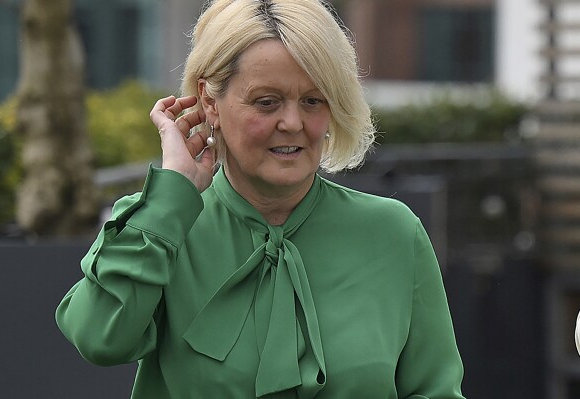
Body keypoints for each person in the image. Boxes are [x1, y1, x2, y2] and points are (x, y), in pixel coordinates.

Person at [55, 0, 466, 397]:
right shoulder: (159, 226)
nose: (292, 123)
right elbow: (98, 338)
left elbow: (434, 391)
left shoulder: (392, 233)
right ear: (210, 103)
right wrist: (171, 197)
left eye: (312, 100)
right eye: (266, 102)